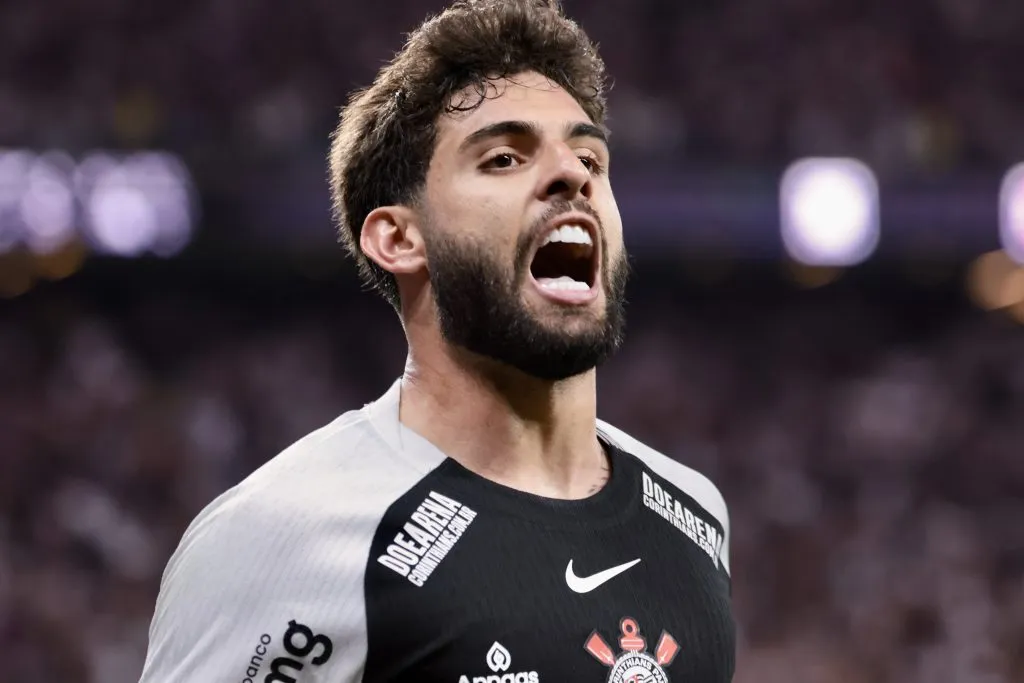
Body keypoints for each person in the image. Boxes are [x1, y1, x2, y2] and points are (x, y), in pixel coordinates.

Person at [138, 1, 734, 681]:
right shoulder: (281, 537)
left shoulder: (693, 512)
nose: (572, 175)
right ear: (399, 238)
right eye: (505, 157)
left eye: (590, 157)